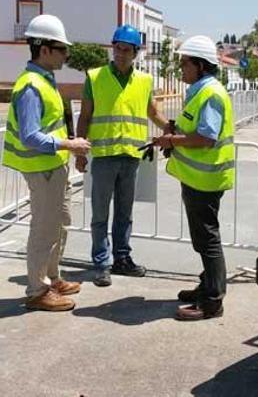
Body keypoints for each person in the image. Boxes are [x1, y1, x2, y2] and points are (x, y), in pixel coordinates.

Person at [2, 14, 91, 311]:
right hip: (41, 168)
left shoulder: (44, 80)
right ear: (44, 49)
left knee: (59, 223)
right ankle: (37, 290)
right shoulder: (30, 86)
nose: (66, 54)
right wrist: (70, 144)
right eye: (61, 48)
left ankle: (52, 278)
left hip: (54, 166)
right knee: (44, 228)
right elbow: (30, 136)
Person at [75, 25, 169, 287]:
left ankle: (122, 259)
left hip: (130, 156)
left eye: (126, 50)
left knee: (124, 214)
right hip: (104, 156)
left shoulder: (144, 81)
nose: (121, 54)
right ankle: (102, 263)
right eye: (117, 48)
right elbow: (85, 116)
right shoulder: (95, 77)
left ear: (135, 52)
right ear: (112, 47)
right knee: (100, 214)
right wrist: (80, 151)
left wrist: (173, 131)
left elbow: (153, 112)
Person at [152, 35, 234, 321]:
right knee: (203, 239)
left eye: (184, 63)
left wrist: (171, 141)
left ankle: (212, 300)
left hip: (206, 180)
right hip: (198, 178)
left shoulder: (209, 94)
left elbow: (206, 138)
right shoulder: (201, 91)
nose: (180, 68)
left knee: (208, 239)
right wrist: (174, 133)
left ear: (200, 65)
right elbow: (193, 128)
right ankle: (207, 285)